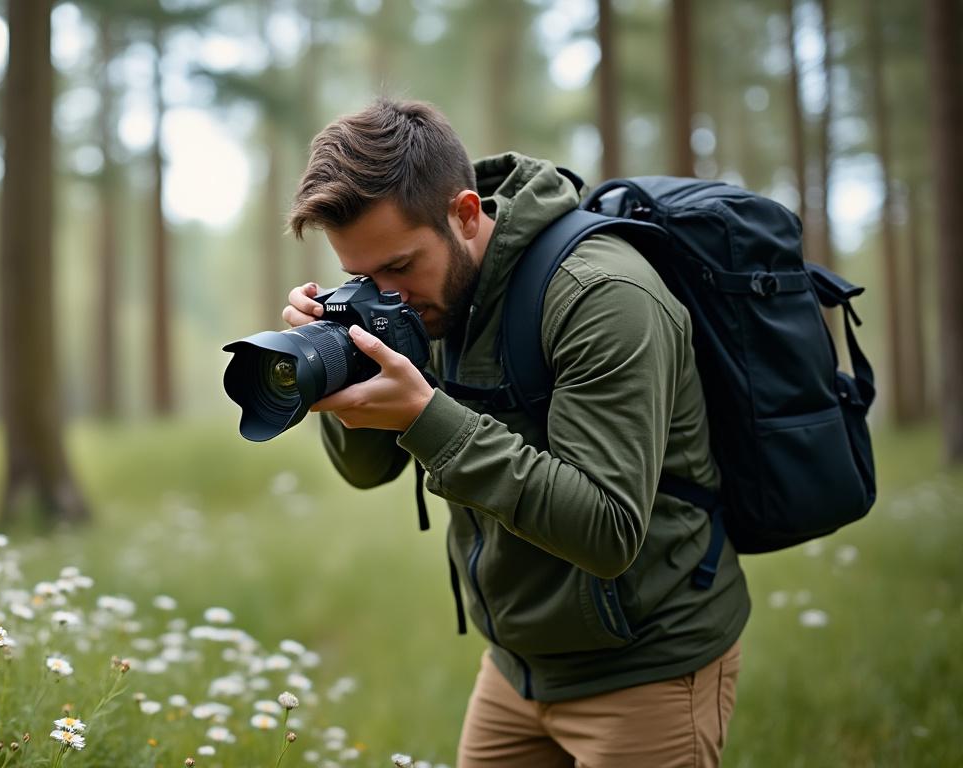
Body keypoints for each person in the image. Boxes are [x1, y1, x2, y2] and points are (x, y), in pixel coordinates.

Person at [281, 98, 749, 767]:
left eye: (400, 268)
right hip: (517, 666)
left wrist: (427, 419)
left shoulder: (603, 296)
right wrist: (336, 365)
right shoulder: (426, 297)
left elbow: (609, 528)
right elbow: (366, 471)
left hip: (648, 662)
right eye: (361, 276)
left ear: (466, 213)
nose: (385, 294)